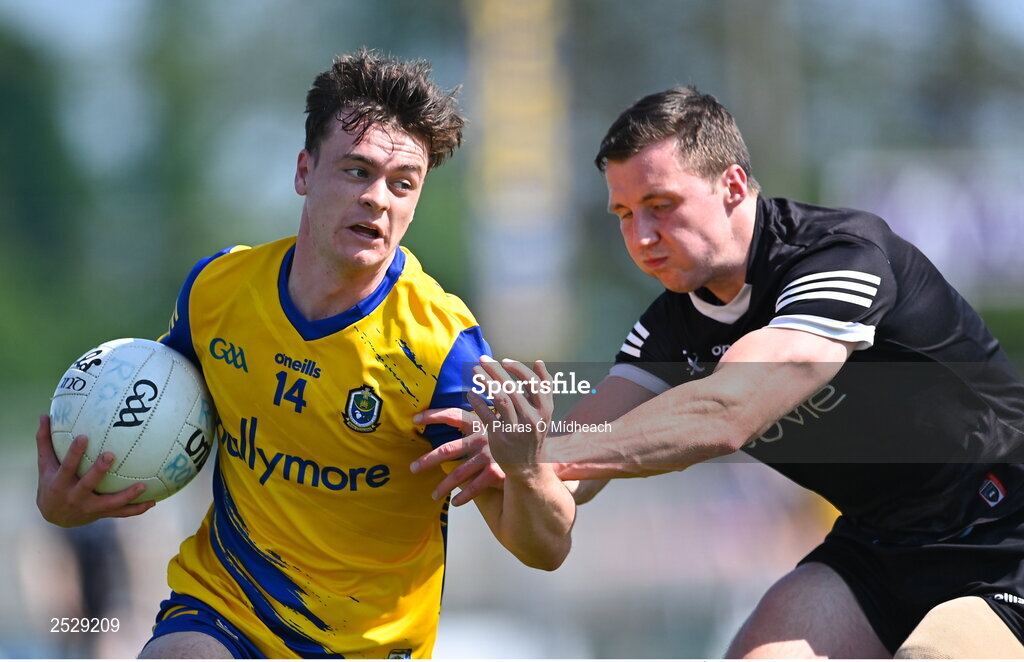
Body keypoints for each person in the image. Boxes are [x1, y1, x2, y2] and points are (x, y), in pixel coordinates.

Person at [412, 86, 1024, 658]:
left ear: (732, 184)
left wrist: (543, 452)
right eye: (624, 213)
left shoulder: (841, 256)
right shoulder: (666, 330)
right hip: (880, 547)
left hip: (1005, 532)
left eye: (661, 205)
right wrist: (517, 477)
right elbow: (558, 511)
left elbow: (728, 410)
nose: (642, 236)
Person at [35, 49, 575, 659]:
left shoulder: (441, 351)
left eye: (404, 184)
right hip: (222, 609)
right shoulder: (217, 292)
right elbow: (156, 411)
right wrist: (68, 497)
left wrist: (528, 471)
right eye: (356, 171)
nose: (379, 199)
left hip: (368, 647)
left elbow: (546, 549)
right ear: (303, 171)